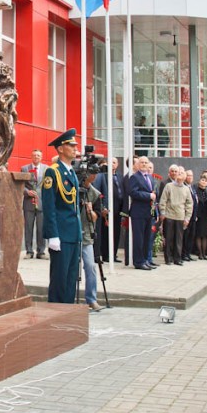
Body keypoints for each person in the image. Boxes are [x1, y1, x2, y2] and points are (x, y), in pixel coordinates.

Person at [42, 129, 84, 303]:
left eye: (75, 145)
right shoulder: (53, 172)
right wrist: (53, 235)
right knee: (60, 278)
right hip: (61, 234)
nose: (75, 148)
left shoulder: (71, 172)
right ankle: (55, 314)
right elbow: (49, 206)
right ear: (60, 149)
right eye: (71, 145)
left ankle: (67, 314)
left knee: (71, 279)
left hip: (73, 233)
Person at [158, 166, 193, 266]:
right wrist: (163, 212)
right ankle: (168, 258)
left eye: (182, 174)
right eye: (178, 174)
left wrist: (187, 218)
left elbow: (189, 204)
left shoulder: (186, 189)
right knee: (168, 238)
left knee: (179, 239)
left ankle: (177, 258)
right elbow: (163, 200)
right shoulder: (168, 186)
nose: (180, 176)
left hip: (180, 217)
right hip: (169, 216)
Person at [127, 157, 158, 269]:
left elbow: (153, 192)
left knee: (146, 238)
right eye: (142, 163)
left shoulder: (150, 177)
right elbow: (133, 192)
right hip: (138, 212)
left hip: (148, 212)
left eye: (146, 163)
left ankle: (145, 260)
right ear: (138, 165)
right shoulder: (134, 177)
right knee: (139, 239)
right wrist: (148, 196)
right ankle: (139, 262)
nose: (144, 164)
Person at [79, 171, 103, 311]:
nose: (93, 177)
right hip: (72, 232)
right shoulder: (74, 188)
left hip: (87, 234)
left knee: (90, 266)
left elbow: (95, 217)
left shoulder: (95, 193)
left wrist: (90, 211)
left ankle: (91, 299)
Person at [93, 157, 125, 263]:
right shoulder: (103, 175)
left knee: (115, 232)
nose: (111, 165)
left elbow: (105, 192)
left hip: (115, 209)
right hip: (95, 209)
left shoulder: (120, 176)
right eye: (109, 163)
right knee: (101, 233)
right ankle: (100, 254)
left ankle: (112, 254)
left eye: (114, 162)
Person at [21, 149, 47, 259]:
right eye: (34, 155)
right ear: (31, 157)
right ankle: (29, 251)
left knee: (41, 228)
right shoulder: (25, 168)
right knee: (28, 228)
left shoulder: (47, 169)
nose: (36, 157)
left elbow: (48, 185)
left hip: (41, 202)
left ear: (41, 157)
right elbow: (20, 185)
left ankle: (41, 251)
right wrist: (27, 192)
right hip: (28, 202)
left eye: (38, 155)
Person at [192, 174, 207, 260]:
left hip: (206, 216)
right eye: (202, 180)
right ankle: (200, 253)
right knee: (199, 235)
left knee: (205, 235)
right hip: (198, 216)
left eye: (205, 181)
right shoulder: (195, 190)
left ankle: (204, 253)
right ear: (199, 181)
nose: (204, 182)